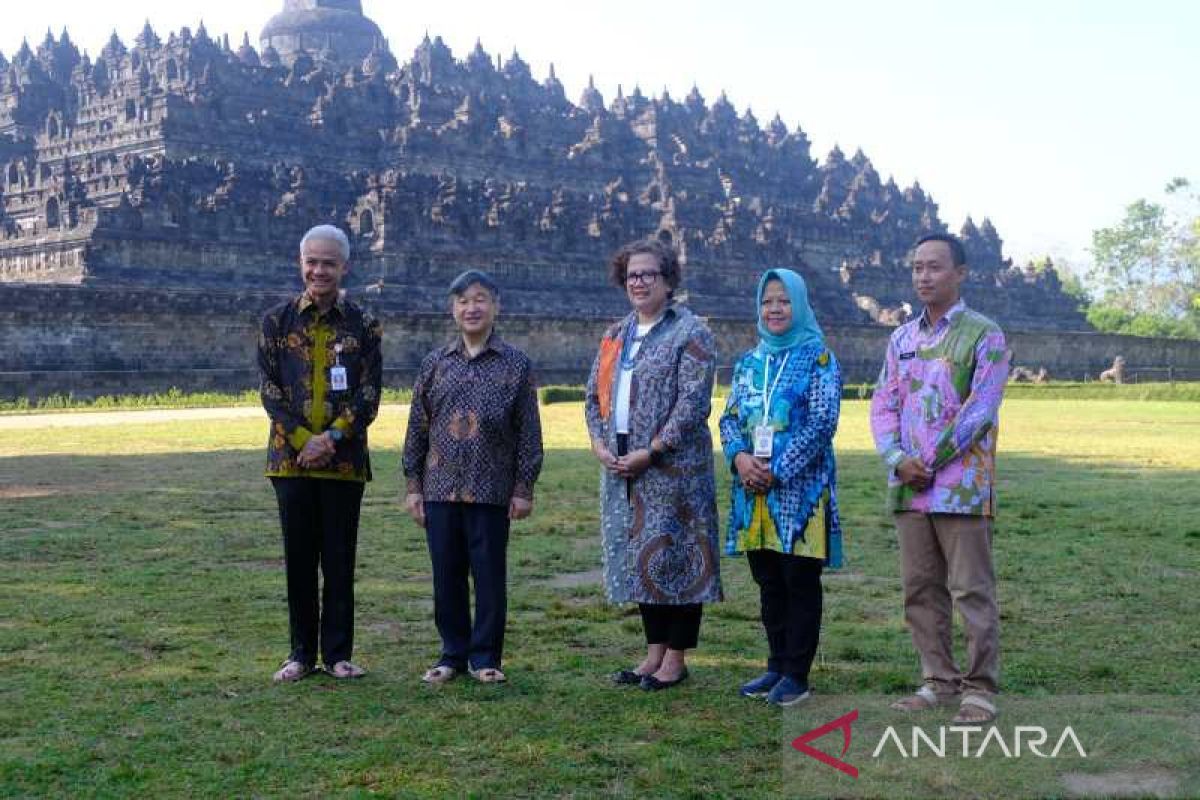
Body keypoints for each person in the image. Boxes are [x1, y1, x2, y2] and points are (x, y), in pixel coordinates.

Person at [870, 232, 1011, 724]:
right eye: (916, 268)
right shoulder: (902, 339)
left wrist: (925, 460)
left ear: (960, 273)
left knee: (971, 589)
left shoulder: (984, 334)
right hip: (909, 485)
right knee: (920, 588)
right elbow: (883, 402)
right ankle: (938, 679)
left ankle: (979, 688)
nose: (923, 276)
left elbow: (981, 409)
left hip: (961, 485)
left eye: (934, 267)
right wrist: (895, 456)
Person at [584, 237, 722, 691]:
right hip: (623, 461)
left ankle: (676, 659)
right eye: (632, 275)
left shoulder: (690, 331)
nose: (639, 282)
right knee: (640, 557)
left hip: (673, 466)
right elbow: (594, 396)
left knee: (677, 557)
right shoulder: (615, 334)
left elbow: (693, 402)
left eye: (648, 274)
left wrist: (655, 449)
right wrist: (600, 444)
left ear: (668, 280)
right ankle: (653, 653)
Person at [402, 270, 543, 685]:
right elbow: (417, 428)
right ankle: (452, 654)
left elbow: (529, 432)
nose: (472, 308)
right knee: (446, 574)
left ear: (495, 306)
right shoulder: (435, 364)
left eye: (480, 299)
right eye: (463, 301)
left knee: (488, 576)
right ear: (453, 309)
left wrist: (523, 488)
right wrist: (413, 487)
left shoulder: (515, 365)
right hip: (439, 486)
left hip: (491, 488)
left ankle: (485, 658)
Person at [258, 223, 382, 683]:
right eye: (312, 261)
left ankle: (338, 654)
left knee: (339, 560)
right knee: (299, 561)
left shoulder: (364, 325)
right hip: (289, 462)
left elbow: (369, 393)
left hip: (344, 462)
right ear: (301, 263)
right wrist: (301, 440)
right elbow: (270, 391)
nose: (319, 270)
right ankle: (299, 653)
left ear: (344, 267)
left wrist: (330, 438)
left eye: (329, 263)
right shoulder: (276, 322)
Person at [719, 268, 843, 706]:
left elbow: (823, 422)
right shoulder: (749, 362)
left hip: (799, 492)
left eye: (783, 301)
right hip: (752, 492)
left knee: (798, 581)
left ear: (800, 305)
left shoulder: (819, 358)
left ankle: (797, 673)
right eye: (768, 301)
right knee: (768, 581)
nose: (774, 309)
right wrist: (739, 458)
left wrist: (777, 468)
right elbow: (730, 417)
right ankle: (774, 666)